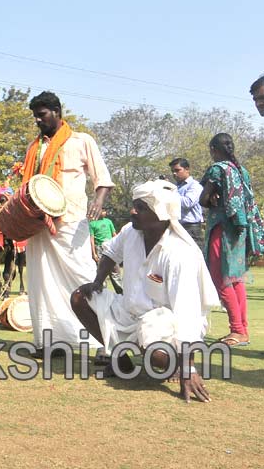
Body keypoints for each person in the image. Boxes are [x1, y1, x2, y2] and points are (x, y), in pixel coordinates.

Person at [70, 180, 219, 403]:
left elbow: (188, 314)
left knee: (157, 355)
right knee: (81, 297)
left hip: (162, 323)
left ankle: (173, 365)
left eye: (140, 207)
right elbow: (110, 252)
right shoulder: (130, 231)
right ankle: (119, 358)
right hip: (128, 312)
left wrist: (188, 368)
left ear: (159, 213)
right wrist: (98, 281)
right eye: (134, 205)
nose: (133, 211)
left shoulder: (179, 253)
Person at [21, 91, 113, 351]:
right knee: (42, 283)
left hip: (72, 221)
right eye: (35, 116)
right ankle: (51, 342)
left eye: (42, 115)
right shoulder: (34, 147)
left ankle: (104, 341)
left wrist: (98, 202)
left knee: (84, 277)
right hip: (38, 223)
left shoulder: (81, 141)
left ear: (58, 112)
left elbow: (102, 179)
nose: (38, 120)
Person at [199, 133, 264, 347]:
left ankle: (236, 330)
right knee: (236, 280)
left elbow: (202, 199)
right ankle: (242, 330)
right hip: (240, 229)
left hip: (222, 229)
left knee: (221, 279)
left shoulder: (218, 169)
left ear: (212, 149)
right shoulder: (241, 170)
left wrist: (211, 198)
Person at [169, 157, 204, 246]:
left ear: (187, 169)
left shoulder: (195, 186)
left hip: (191, 228)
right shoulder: (176, 187)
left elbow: (187, 203)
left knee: (195, 257)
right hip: (177, 227)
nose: (174, 173)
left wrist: (171, 192)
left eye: (177, 170)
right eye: (172, 171)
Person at [88, 208, 122, 292]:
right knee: (101, 271)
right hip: (99, 248)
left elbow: (114, 234)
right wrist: (94, 253)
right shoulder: (92, 224)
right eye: (102, 210)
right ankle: (103, 292)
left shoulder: (108, 221)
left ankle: (120, 292)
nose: (104, 212)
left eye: (105, 211)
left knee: (115, 271)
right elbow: (91, 239)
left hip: (111, 246)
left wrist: (119, 246)